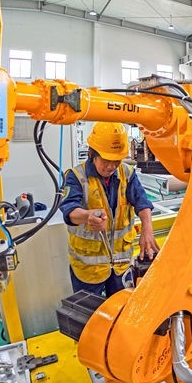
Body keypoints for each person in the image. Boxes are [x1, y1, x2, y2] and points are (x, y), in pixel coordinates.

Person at [60, 122, 159, 296]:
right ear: (92, 154)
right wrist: (87, 216)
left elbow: (142, 202)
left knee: (120, 312)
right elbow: (69, 210)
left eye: (116, 161)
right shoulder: (76, 176)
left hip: (120, 265)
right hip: (89, 268)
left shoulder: (127, 173)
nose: (112, 166)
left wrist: (147, 229)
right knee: (90, 316)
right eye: (107, 160)